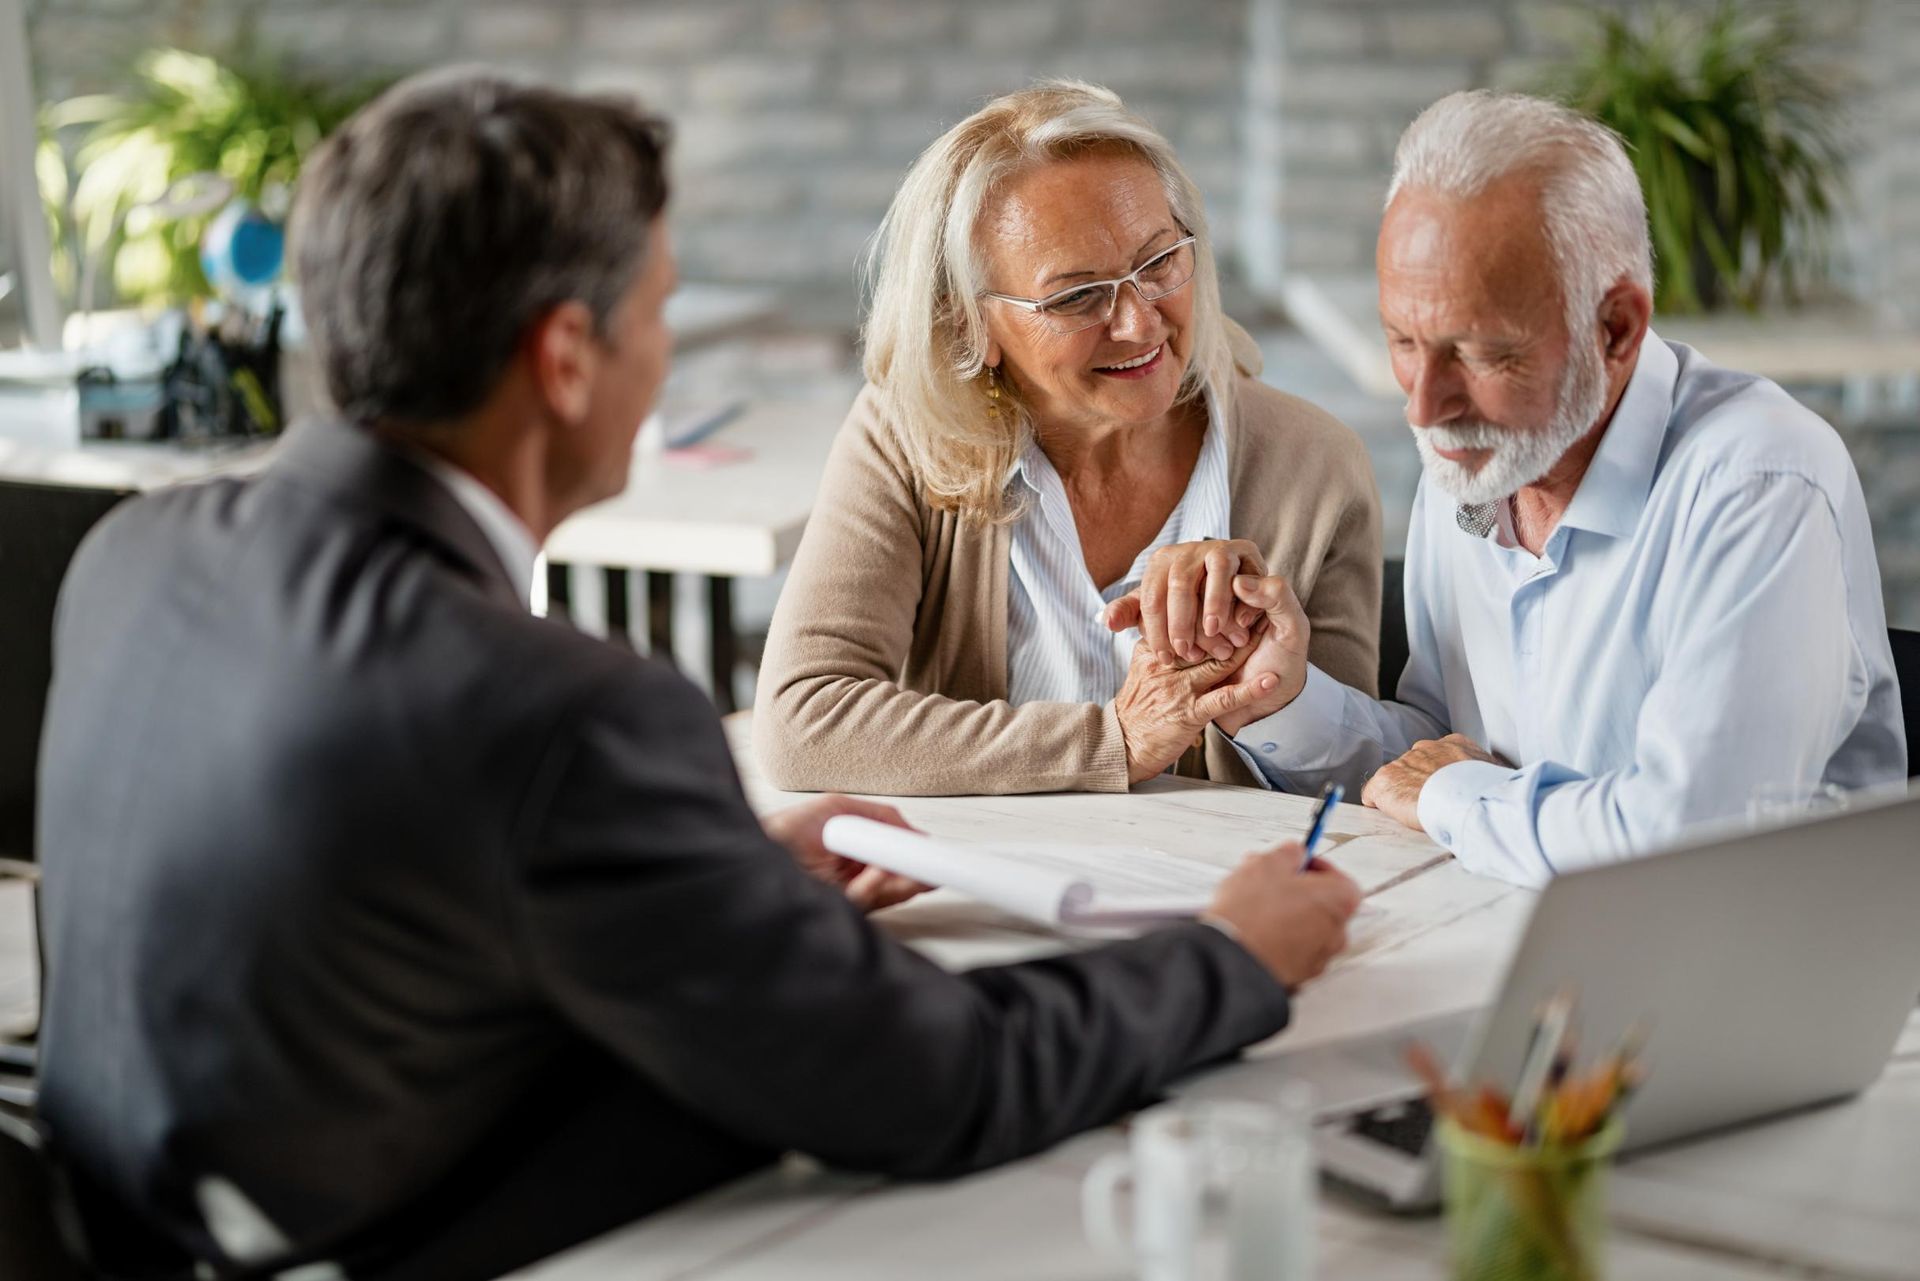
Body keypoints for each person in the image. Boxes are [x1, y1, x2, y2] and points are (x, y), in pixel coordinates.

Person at [34, 71, 1362, 1281]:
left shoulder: (132, 557)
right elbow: (942, 1082)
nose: (665, 356)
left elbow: (351, 928)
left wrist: (703, 883)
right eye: (659, 310)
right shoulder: (565, 718)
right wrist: (1229, 956)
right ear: (567, 358)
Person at [1115, 90, 1906, 886]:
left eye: (1483, 353)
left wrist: (1457, 794)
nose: (1425, 405)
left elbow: (1690, 843)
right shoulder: (1474, 458)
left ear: (1618, 329)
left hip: (1746, 983)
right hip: (1516, 949)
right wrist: (1278, 695)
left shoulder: (1760, 482)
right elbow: (1440, 754)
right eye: (1404, 341)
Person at [754, 81, 1382, 797]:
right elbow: (802, 720)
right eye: (1078, 296)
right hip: (978, 890)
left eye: (1159, 263)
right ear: (970, 326)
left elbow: (1358, 787)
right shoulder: (909, 436)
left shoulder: (1316, 466)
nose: (1140, 324)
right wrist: (1113, 741)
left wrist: (1277, 695)